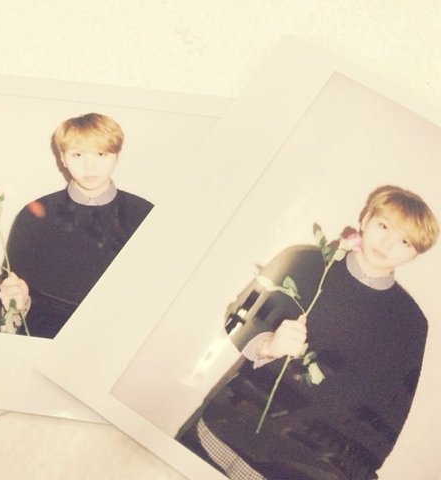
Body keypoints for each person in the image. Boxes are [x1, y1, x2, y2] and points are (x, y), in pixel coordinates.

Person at [177, 185, 439, 480]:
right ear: (366, 219)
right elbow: (238, 317)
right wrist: (268, 345)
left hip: (303, 463)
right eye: (384, 226)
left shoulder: (411, 324)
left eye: (404, 241)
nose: (388, 243)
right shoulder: (304, 262)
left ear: (414, 254)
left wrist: (359, 472)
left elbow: (391, 409)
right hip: (228, 427)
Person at [0, 113, 153, 339]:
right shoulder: (34, 214)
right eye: (78, 154)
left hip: (121, 338)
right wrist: (16, 303)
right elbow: (15, 295)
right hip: (47, 337)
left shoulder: (144, 214)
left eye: (101, 154)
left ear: (116, 156)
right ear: (63, 157)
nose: (89, 166)